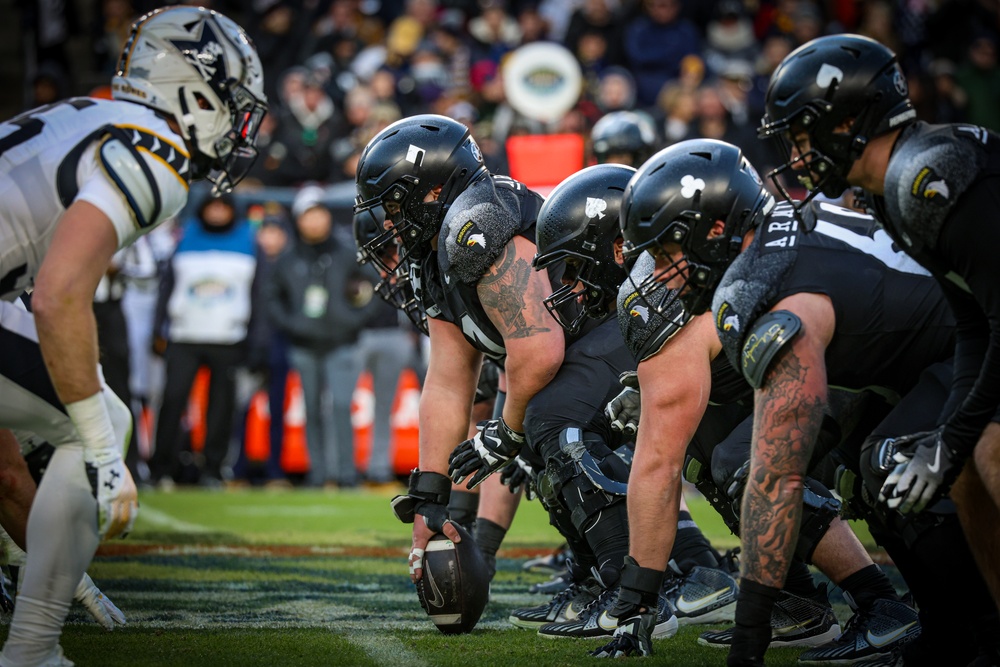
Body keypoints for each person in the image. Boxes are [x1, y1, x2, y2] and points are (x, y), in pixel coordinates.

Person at [612, 139, 998, 665]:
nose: (656, 273)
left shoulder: (774, 294)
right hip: (933, 359)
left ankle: (982, 635)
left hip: (971, 352)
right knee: (873, 467)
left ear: (715, 231)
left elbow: (776, 477)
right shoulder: (773, 244)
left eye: (664, 252)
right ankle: (944, 631)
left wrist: (748, 635)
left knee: (889, 464)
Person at [0, 5, 266, 664]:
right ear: (196, 90)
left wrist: (62, 565)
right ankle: (32, 650)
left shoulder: (83, 117)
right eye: (233, 105)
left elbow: (6, 469)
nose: (236, 127)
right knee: (101, 416)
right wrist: (101, 449)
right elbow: (60, 296)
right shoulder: (155, 148)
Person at [354, 115, 655, 636]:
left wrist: (507, 433)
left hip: (627, 327)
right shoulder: (434, 257)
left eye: (396, 203)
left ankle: (638, 585)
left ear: (432, 192)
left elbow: (538, 352)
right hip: (583, 347)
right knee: (536, 434)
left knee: (545, 424)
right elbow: (448, 380)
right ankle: (603, 579)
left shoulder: (477, 225)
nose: (389, 221)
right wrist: (431, 499)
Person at [759, 33, 1000, 636]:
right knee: (967, 462)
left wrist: (959, 432)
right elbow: (973, 323)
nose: (799, 151)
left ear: (852, 120)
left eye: (805, 132)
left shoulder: (929, 175)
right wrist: (951, 433)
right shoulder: (891, 192)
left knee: (989, 451)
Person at [265, 187, 379, 489]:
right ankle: (317, 473)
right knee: (312, 409)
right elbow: (272, 297)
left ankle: (346, 474)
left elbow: (374, 286)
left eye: (319, 214)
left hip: (341, 342)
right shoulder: (288, 258)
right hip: (303, 344)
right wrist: (292, 324)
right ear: (298, 220)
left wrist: (352, 320)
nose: (314, 221)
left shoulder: (347, 251)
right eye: (308, 215)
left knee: (341, 406)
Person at [150, 193, 259, 488]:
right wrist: (157, 329)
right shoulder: (185, 237)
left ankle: (212, 469)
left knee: (221, 408)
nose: (217, 212)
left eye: (223, 207)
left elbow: (257, 293)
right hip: (185, 334)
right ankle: (162, 468)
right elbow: (167, 286)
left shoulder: (248, 240)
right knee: (172, 401)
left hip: (228, 336)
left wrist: (254, 336)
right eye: (212, 206)